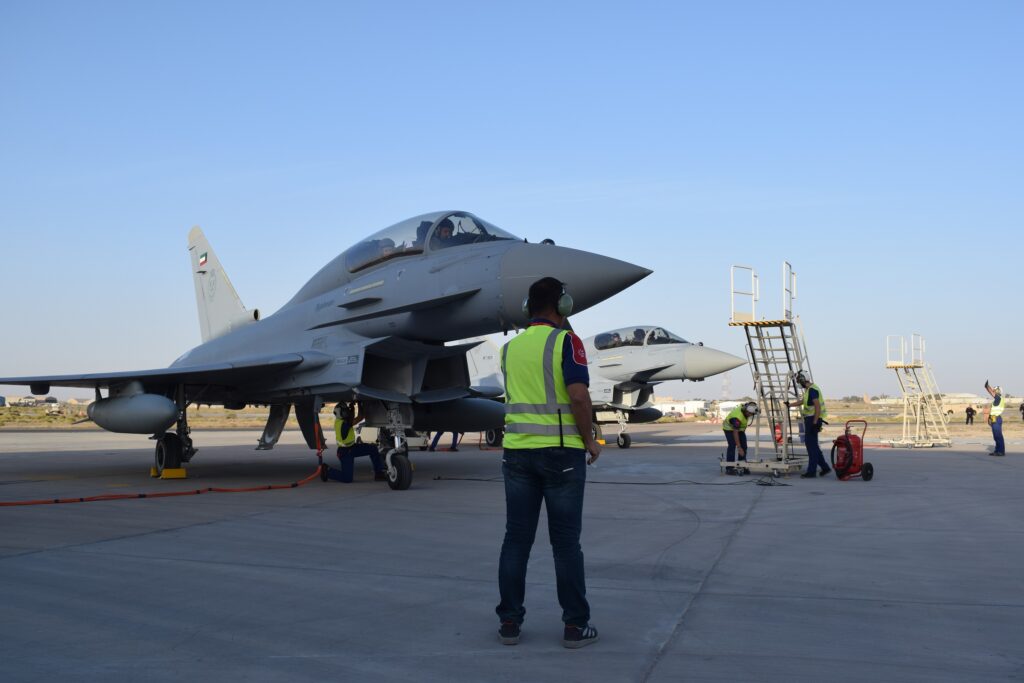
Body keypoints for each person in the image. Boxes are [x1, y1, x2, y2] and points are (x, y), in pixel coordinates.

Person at [495, 276, 601, 649]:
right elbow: (579, 398)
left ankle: (509, 622)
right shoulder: (566, 342)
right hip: (562, 455)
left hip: (517, 455)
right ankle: (575, 626)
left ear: (528, 308)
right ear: (564, 305)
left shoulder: (510, 349)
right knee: (566, 544)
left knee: (516, 540)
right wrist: (590, 440)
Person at [786, 371, 831, 478]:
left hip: (813, 420)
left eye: (798, 381)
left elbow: (817, 407)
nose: (798, 383)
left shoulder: (812, 391)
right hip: (810, 419)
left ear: (802, 380)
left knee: (811, 447)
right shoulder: (809, 390)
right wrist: (790, 405)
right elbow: (803, 401)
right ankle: (825, 468)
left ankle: (811, 471)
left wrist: (815, 422)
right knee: (813, 445)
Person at [332, 403, 386, 482]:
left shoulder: (341, 420)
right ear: (340, 413)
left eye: (346, 411)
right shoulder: (344, 424)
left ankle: (379, 473)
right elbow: (360, 417)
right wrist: (360, 404)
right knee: (347, 479)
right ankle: (327, 470)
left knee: (373, 449)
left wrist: (352, 408)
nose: (346, 413)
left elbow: (351, 418)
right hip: (345, 453)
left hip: (352, 448)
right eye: (344, 411)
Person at [722, 402, 759, 474]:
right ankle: (729, 468)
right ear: (746, 411)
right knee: (732, 445)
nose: (750, 416)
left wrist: (741, 446)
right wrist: (739, 447)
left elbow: (753, 407)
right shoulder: (737, 418)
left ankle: (741, 465)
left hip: (740, 430)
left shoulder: (746, 408)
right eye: (750, 414)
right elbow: (735, 433)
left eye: (752, 414)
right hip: (729, 429)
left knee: (744, 446)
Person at [983, 382, 1006, 456]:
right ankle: (997, 450)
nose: (993, 391)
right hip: (994, 419)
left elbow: (991, 393)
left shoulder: (998, 398)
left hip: (996, 419)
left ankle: (1001, 451)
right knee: (996, 436)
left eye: (995, 390)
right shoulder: (998, 399)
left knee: (998, 436)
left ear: (998, 391)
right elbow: (993, 411)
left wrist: (987, 387)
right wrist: (989, 418)